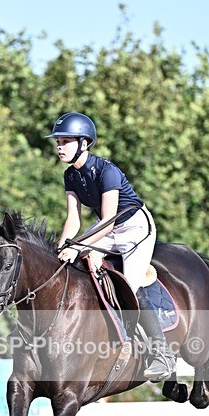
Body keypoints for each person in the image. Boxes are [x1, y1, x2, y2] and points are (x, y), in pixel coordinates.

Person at [46, 111, 175, 381]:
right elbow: (73, 220)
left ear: (84, 143)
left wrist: (78, 245)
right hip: (107, 228)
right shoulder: (71, 175)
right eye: (58, 141)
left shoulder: (107, 171)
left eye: (66, 141)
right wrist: (60, 251)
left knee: (131, 284)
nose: (59, 146)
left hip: (134, 228)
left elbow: (107, 221)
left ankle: (162, 354)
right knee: (74, 264)